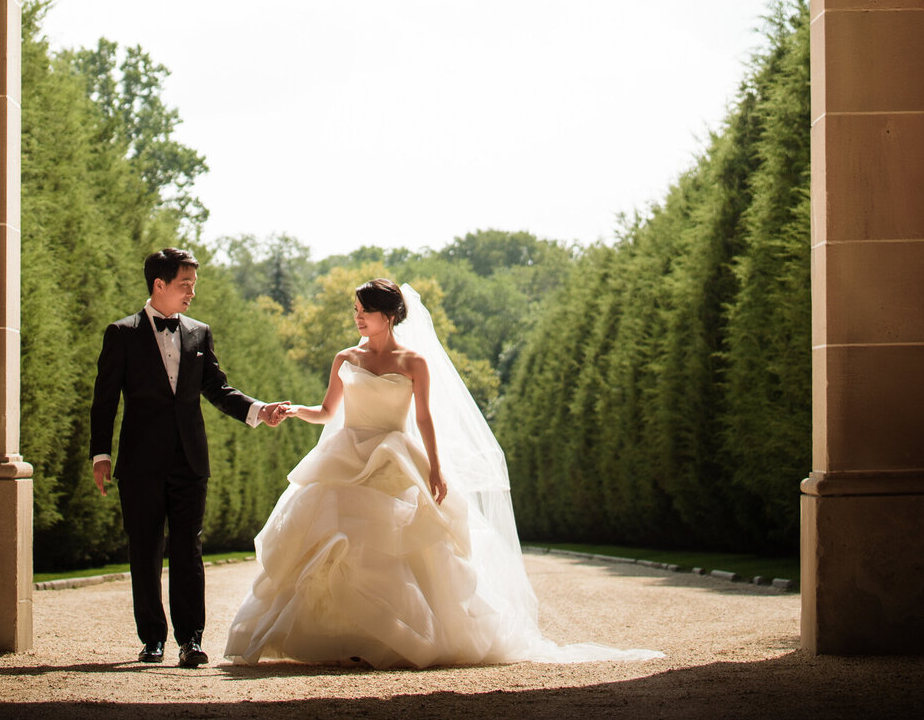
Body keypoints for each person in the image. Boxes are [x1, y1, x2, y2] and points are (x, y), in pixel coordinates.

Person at [225, 277, 663, 669]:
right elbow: (327, 412)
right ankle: (346, 637)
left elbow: (425, 418)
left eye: (365, 311)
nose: (357, 318)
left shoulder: (413, 361)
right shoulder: (345, 358)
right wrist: (293, 410)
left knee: (399, 548)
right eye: (355, 311)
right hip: (346, 456)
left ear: (390, 315)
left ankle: (396, 638)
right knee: (335, 545)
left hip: (395, 457)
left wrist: (435, 468)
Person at [90, 246, 291, 667]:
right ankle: (152, 639)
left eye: (193, 286)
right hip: (140, 463)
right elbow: (104, 400)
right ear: (159, 285)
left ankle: (190, 640)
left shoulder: (199, 333)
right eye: (185, 285)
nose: (191, 294)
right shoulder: (121, 333)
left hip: (190, 461)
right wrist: (100, 454)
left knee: (188, 550)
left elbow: (218, 388)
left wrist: (259, 410)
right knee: (144, 550)